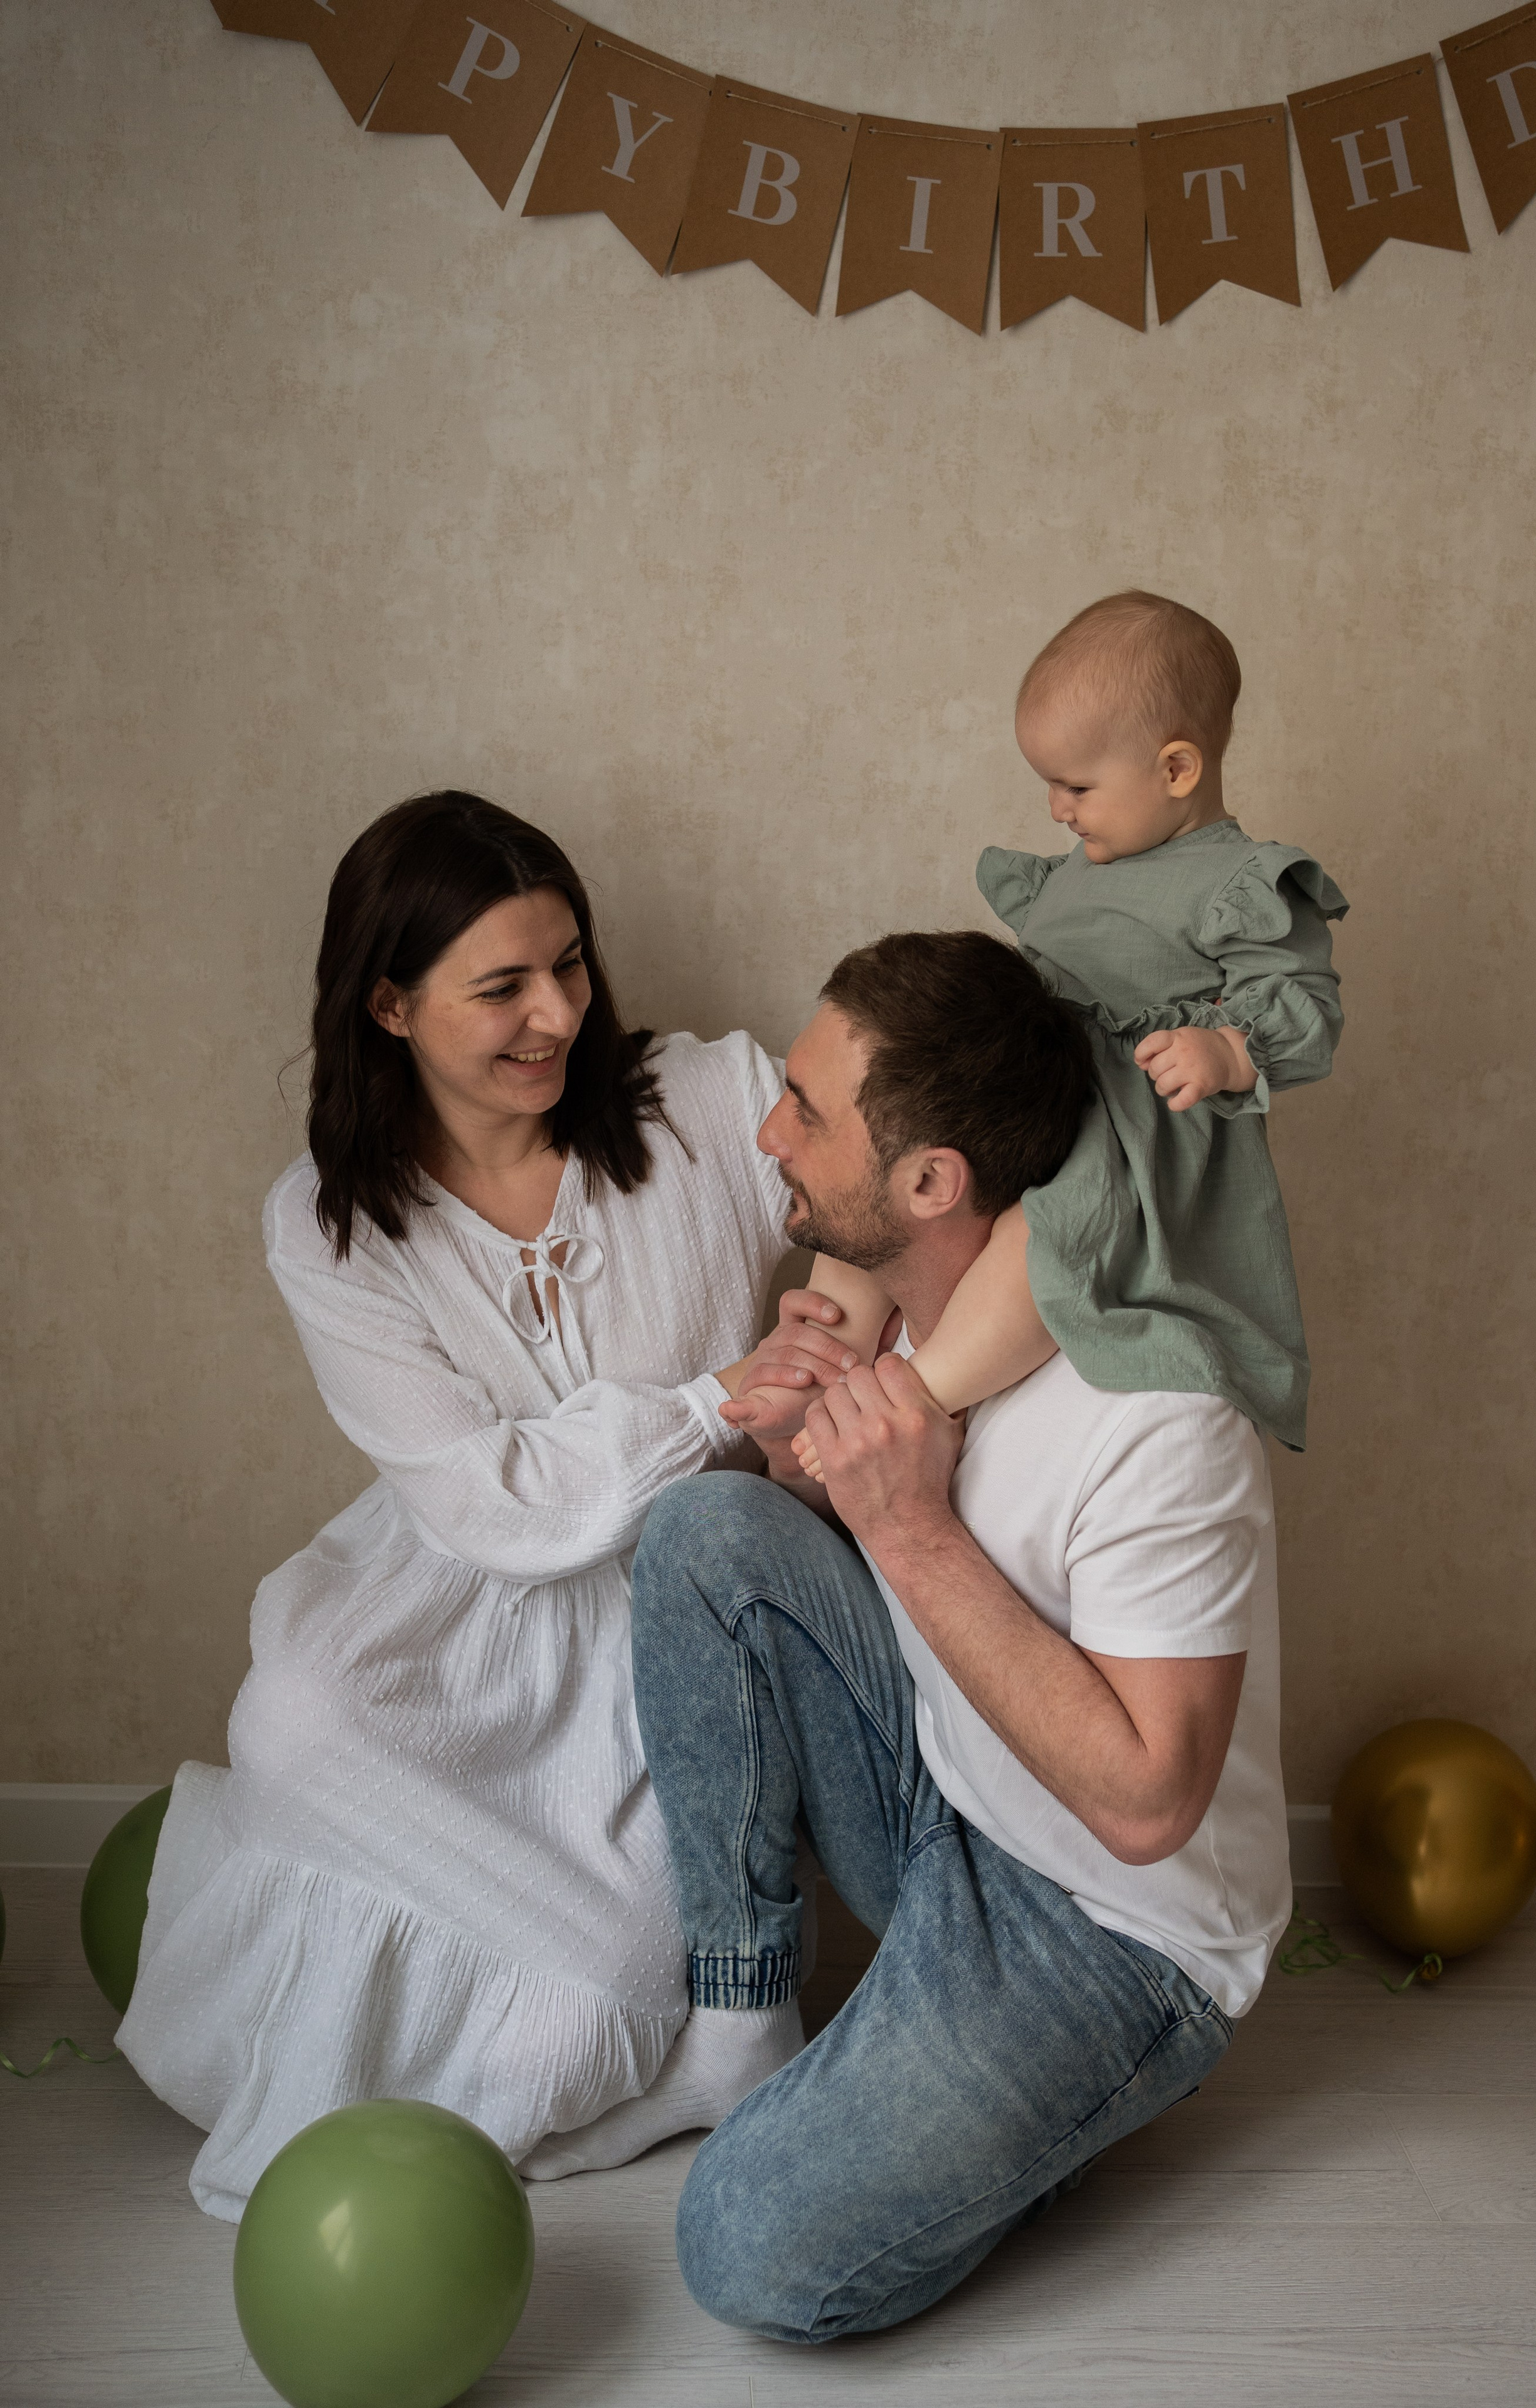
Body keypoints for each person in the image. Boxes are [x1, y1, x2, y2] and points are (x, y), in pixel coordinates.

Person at [116, 791, 857, 2220]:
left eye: (568, 964)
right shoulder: (330, 1221)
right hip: (464, 1593)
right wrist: (718, 1396)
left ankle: (650, 2059)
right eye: (501, 986)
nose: (555, 1016)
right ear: (388, 1005)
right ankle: (357, 2064)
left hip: (672, 1610)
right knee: (295, 1722)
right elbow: (485, 1509)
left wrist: (844, 1332)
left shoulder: (700, 1106)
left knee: (641, 1964)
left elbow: (879, 1176)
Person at [628, 927, 1290, 2340]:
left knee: (739, 2253)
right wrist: (812, 1453)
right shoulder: (919, 1347)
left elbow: (1148, 1802)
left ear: (930, 1184)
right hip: (954, 1803)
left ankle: (1025, 2136)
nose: (766, 1134)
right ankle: (745, 2027)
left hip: (1111, 1936)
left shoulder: (1157, 1418)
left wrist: (908, 1528)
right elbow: (772, 1571)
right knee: (702, 1538)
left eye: (805, 1112)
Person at [740, 590, 1347, 1466]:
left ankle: (921, 1392)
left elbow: (1306, 1006)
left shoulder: (1238, 883)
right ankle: (826, 1362)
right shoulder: (1089, 864)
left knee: (1045, 1237)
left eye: (1078, 786)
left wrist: (1224, 1050)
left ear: (1177, 769)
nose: (1059, 810)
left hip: (1127, 1120)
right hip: (1032, 1083)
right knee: (866, 1202)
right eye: (1051, 786)